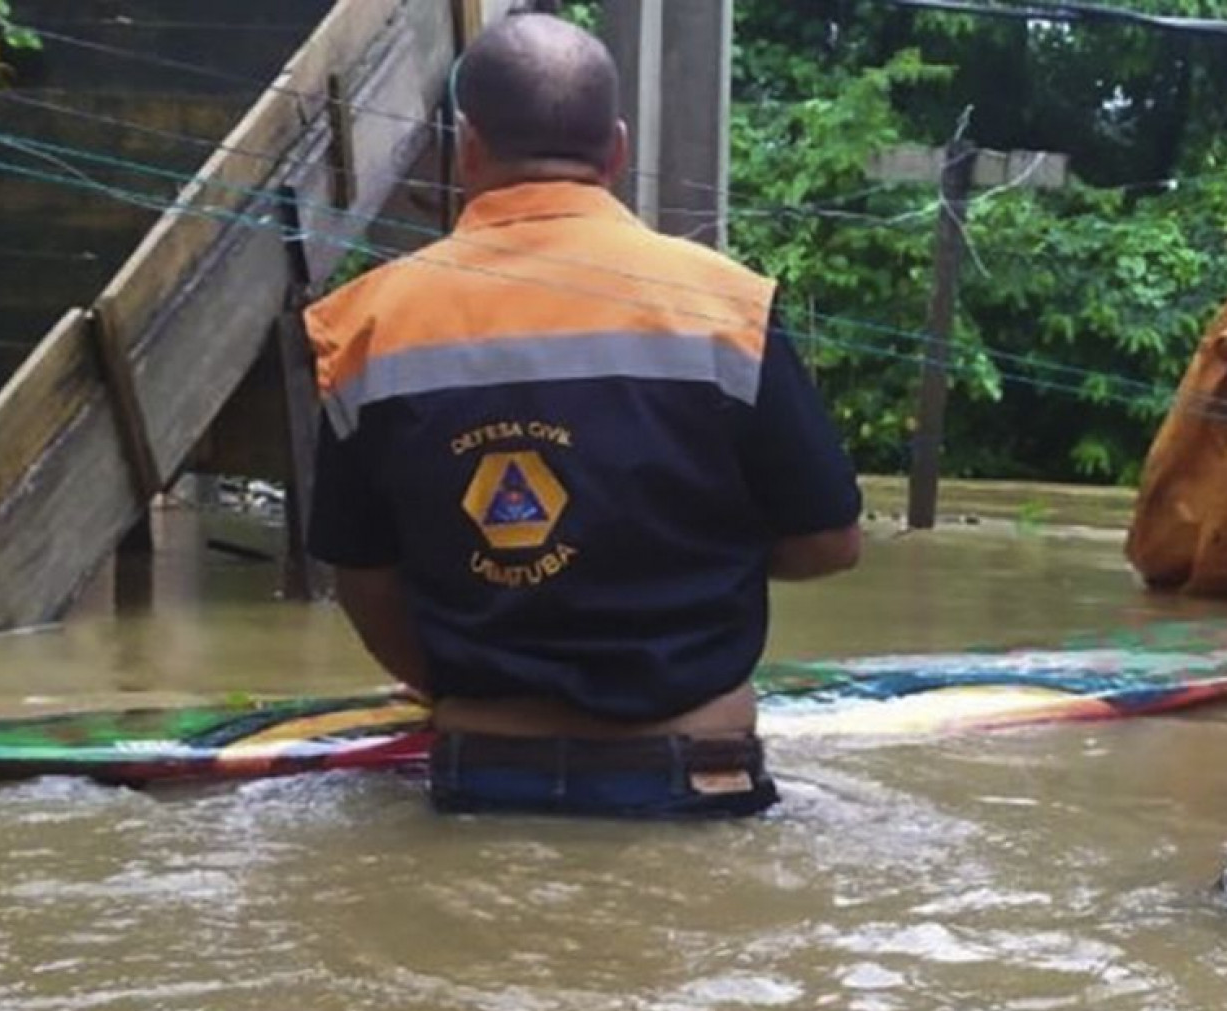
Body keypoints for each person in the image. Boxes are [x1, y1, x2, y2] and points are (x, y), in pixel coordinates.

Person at [303, 13, 863, 820]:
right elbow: (831, 542)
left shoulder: (363, 325)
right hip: (698, 771)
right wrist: (690, 552)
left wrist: (457, 663)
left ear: (466, 146)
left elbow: (363, 577)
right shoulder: (728, 307)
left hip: (481, 774)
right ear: (618, 148)